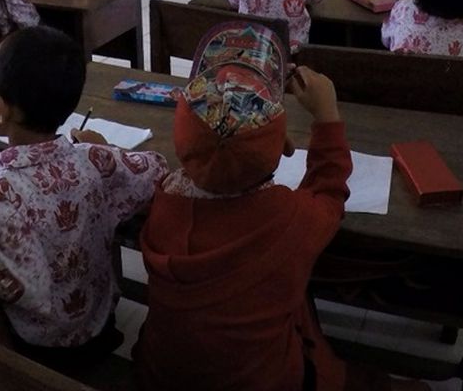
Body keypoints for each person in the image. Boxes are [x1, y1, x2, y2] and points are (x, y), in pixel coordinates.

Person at [132, 22, 420, 391]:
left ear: (181, 148)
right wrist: (327, 117)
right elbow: (329, 195)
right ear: (285, 147)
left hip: (163, 375)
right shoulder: (288, 219)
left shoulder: (164, 201)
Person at [0, 26, 167, 371]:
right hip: (100, 325)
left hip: (42, 346)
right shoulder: (93, 159)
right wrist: (104, 148)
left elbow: (18, 287)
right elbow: (155, 170)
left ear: (1, 110)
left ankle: (10, 372)